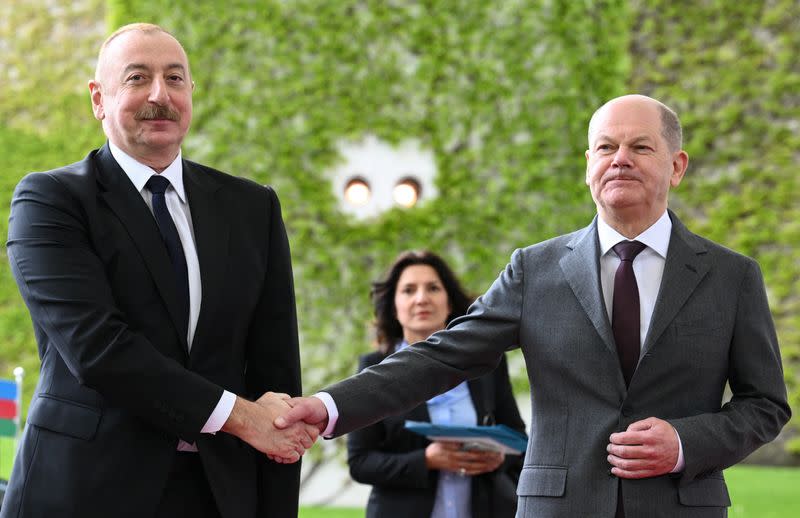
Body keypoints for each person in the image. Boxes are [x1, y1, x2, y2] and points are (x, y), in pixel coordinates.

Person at [278, 94, 791, 517]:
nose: (620, 159)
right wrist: (327, 406)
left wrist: (685, 442)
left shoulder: (731, 276)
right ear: (588, 165)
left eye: (641, 147)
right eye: (605, 147)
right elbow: (439, 357)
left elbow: (765, 405)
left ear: (676, 166)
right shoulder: (534, 269)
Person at [3, 23, 314, 518]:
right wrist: (240, 417)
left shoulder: (252, 207)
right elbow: (99, 349)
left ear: (191, 92)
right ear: (98, 99)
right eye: (136, 78)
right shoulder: (51, 201)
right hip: (88, 490)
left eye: (174, 78)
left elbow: (275, 367)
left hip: (218, 493)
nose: (159, 95)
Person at [347, 251, 526, 518]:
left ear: (449, 302)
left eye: (433, 288)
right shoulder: (374, 368)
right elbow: (360, 462)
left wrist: (499, 457)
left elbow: (520, 442)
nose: (422, 298)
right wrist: (426, 461)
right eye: (408, 290)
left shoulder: (487, 365)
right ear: (394, 307)